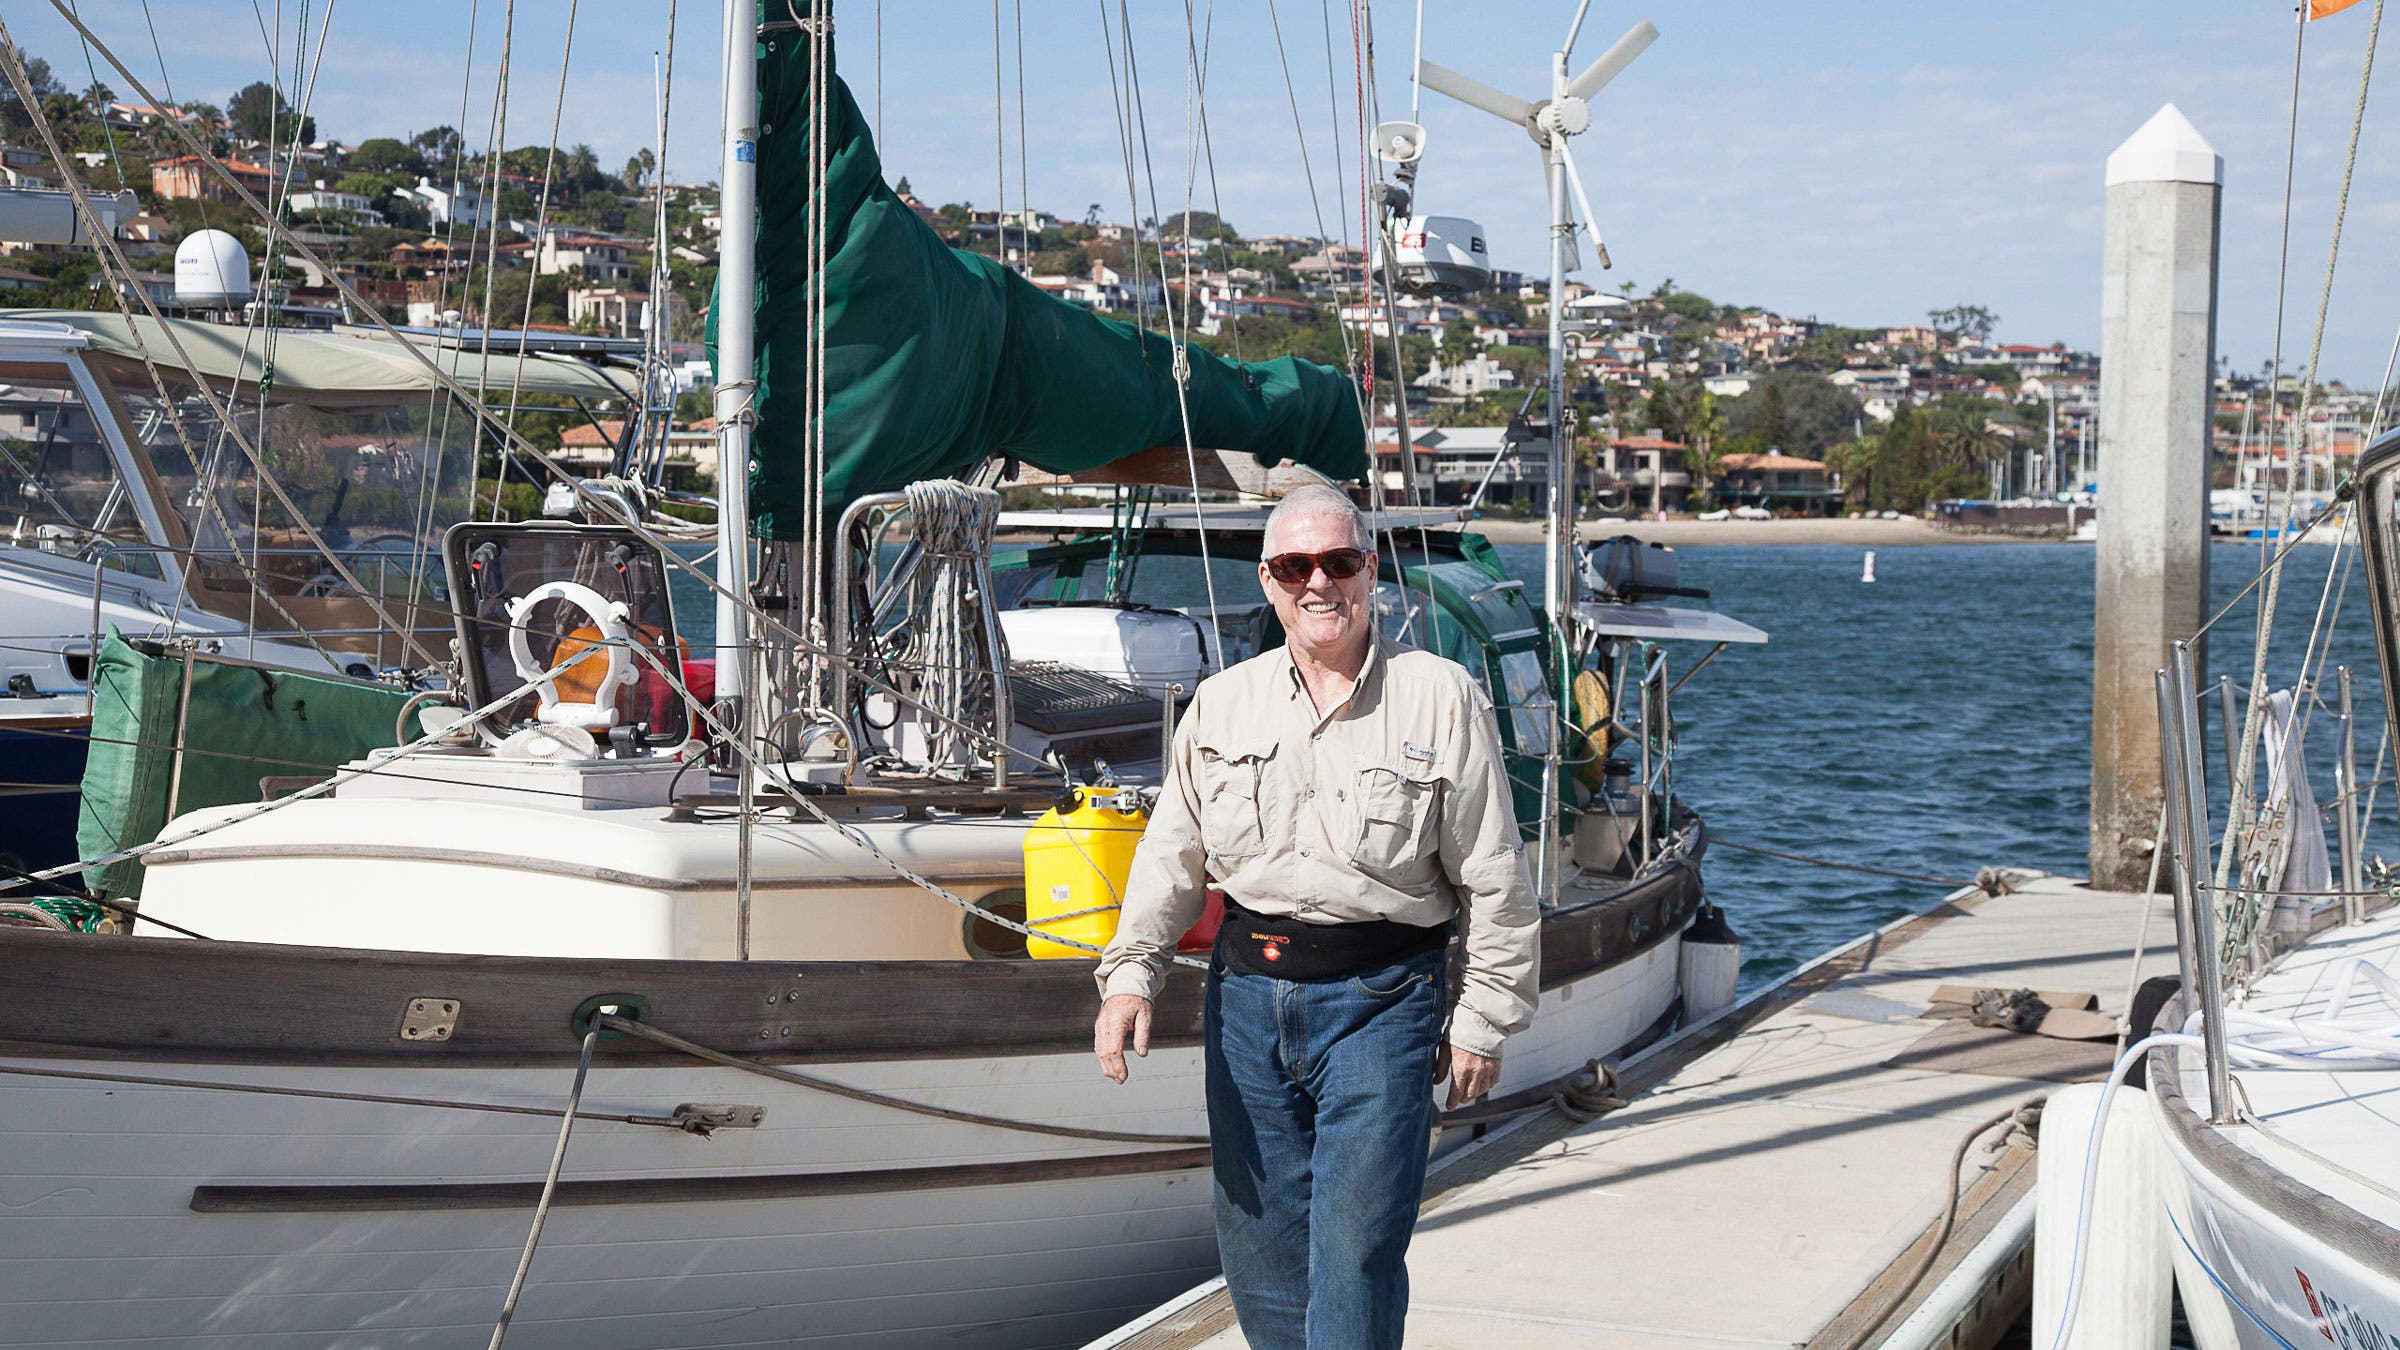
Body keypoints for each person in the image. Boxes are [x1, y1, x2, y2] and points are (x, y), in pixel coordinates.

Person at [1092, 484, 1539, 1350]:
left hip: (1383, 1001)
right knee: (1258, 1250)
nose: (1318, 583)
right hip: (1246, 1004)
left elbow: (1494, 875)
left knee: (1356, 1250)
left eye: (1339, 562)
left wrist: (1483, 1019)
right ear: (1268, 580)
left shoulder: (1439, 697)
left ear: (1371, 570)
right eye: (1296, 566)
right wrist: (1130, 977)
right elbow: (1170, 861)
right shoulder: (1222, 703)